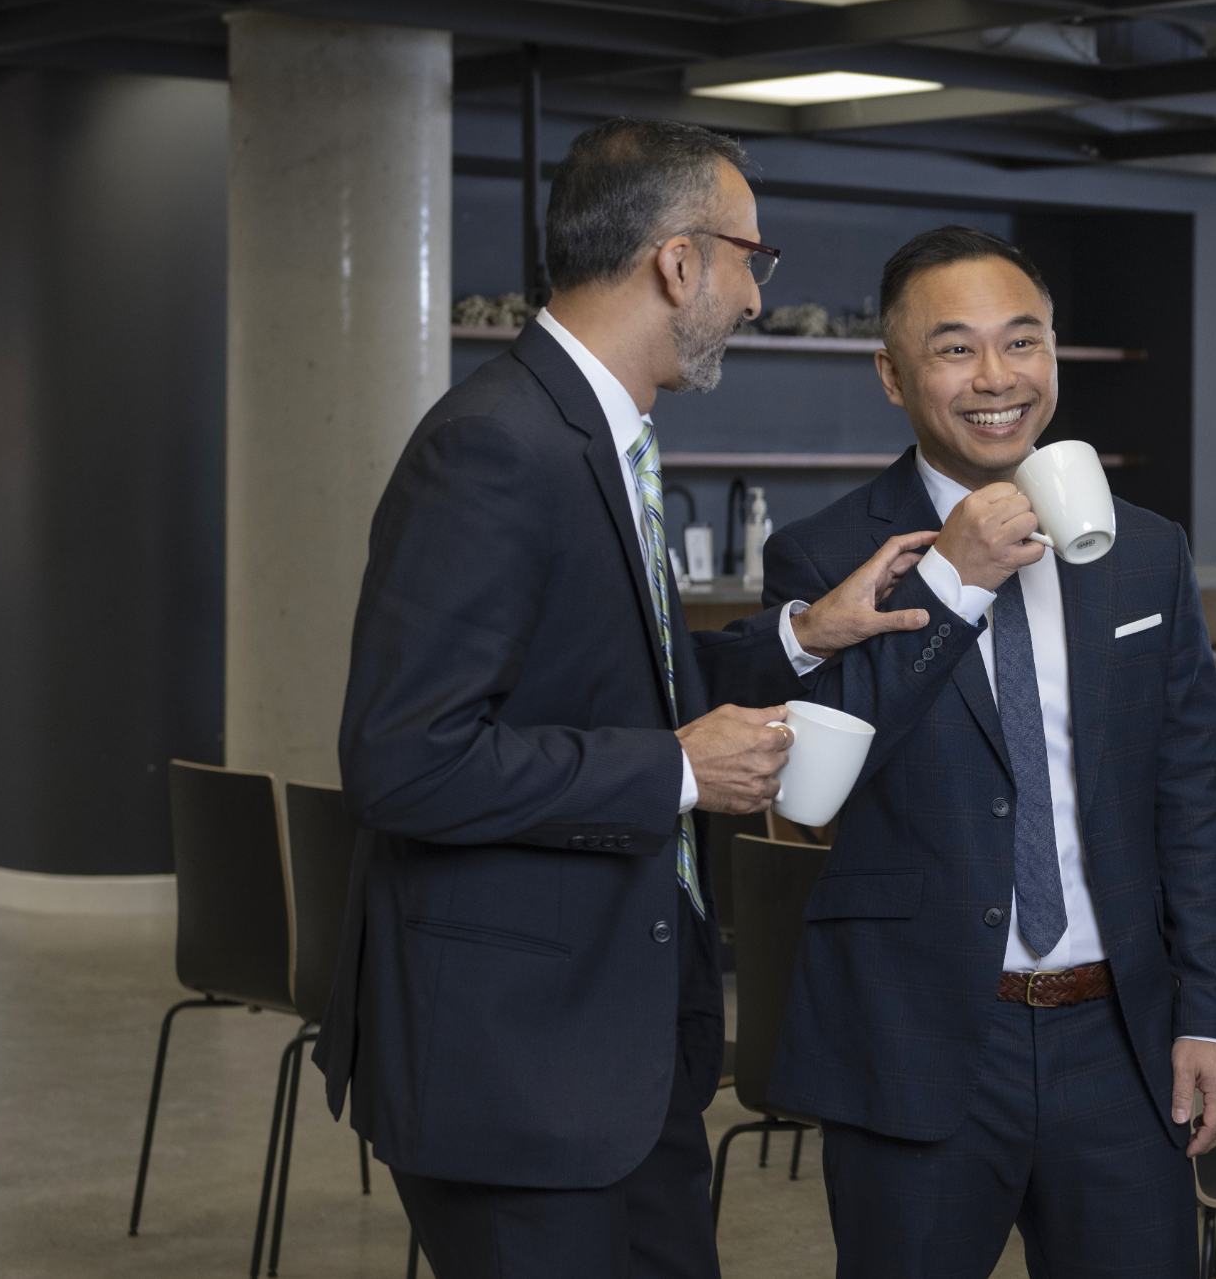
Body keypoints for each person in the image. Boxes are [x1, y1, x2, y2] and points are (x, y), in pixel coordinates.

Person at [313, 119, 934, 1279]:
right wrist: (681, 773)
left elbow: (626, 684)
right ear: (679, 262)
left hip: (616, 1050)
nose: (756, 299)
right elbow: (404, 759)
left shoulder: (597, 436)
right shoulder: (495, 447)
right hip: (518, 1073)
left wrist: (804, 632)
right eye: (753, 259)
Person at [699, 225, 1216, 1277]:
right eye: (955, 349)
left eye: (1023, 341)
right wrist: (951, 585)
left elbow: (1190, 797)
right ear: (893, 376)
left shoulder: (1145, 552)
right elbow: (822, 784)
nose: (996, 378)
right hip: (918, 1038)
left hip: (1120, 1038)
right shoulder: (822, 554)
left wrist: (1215, 1017)